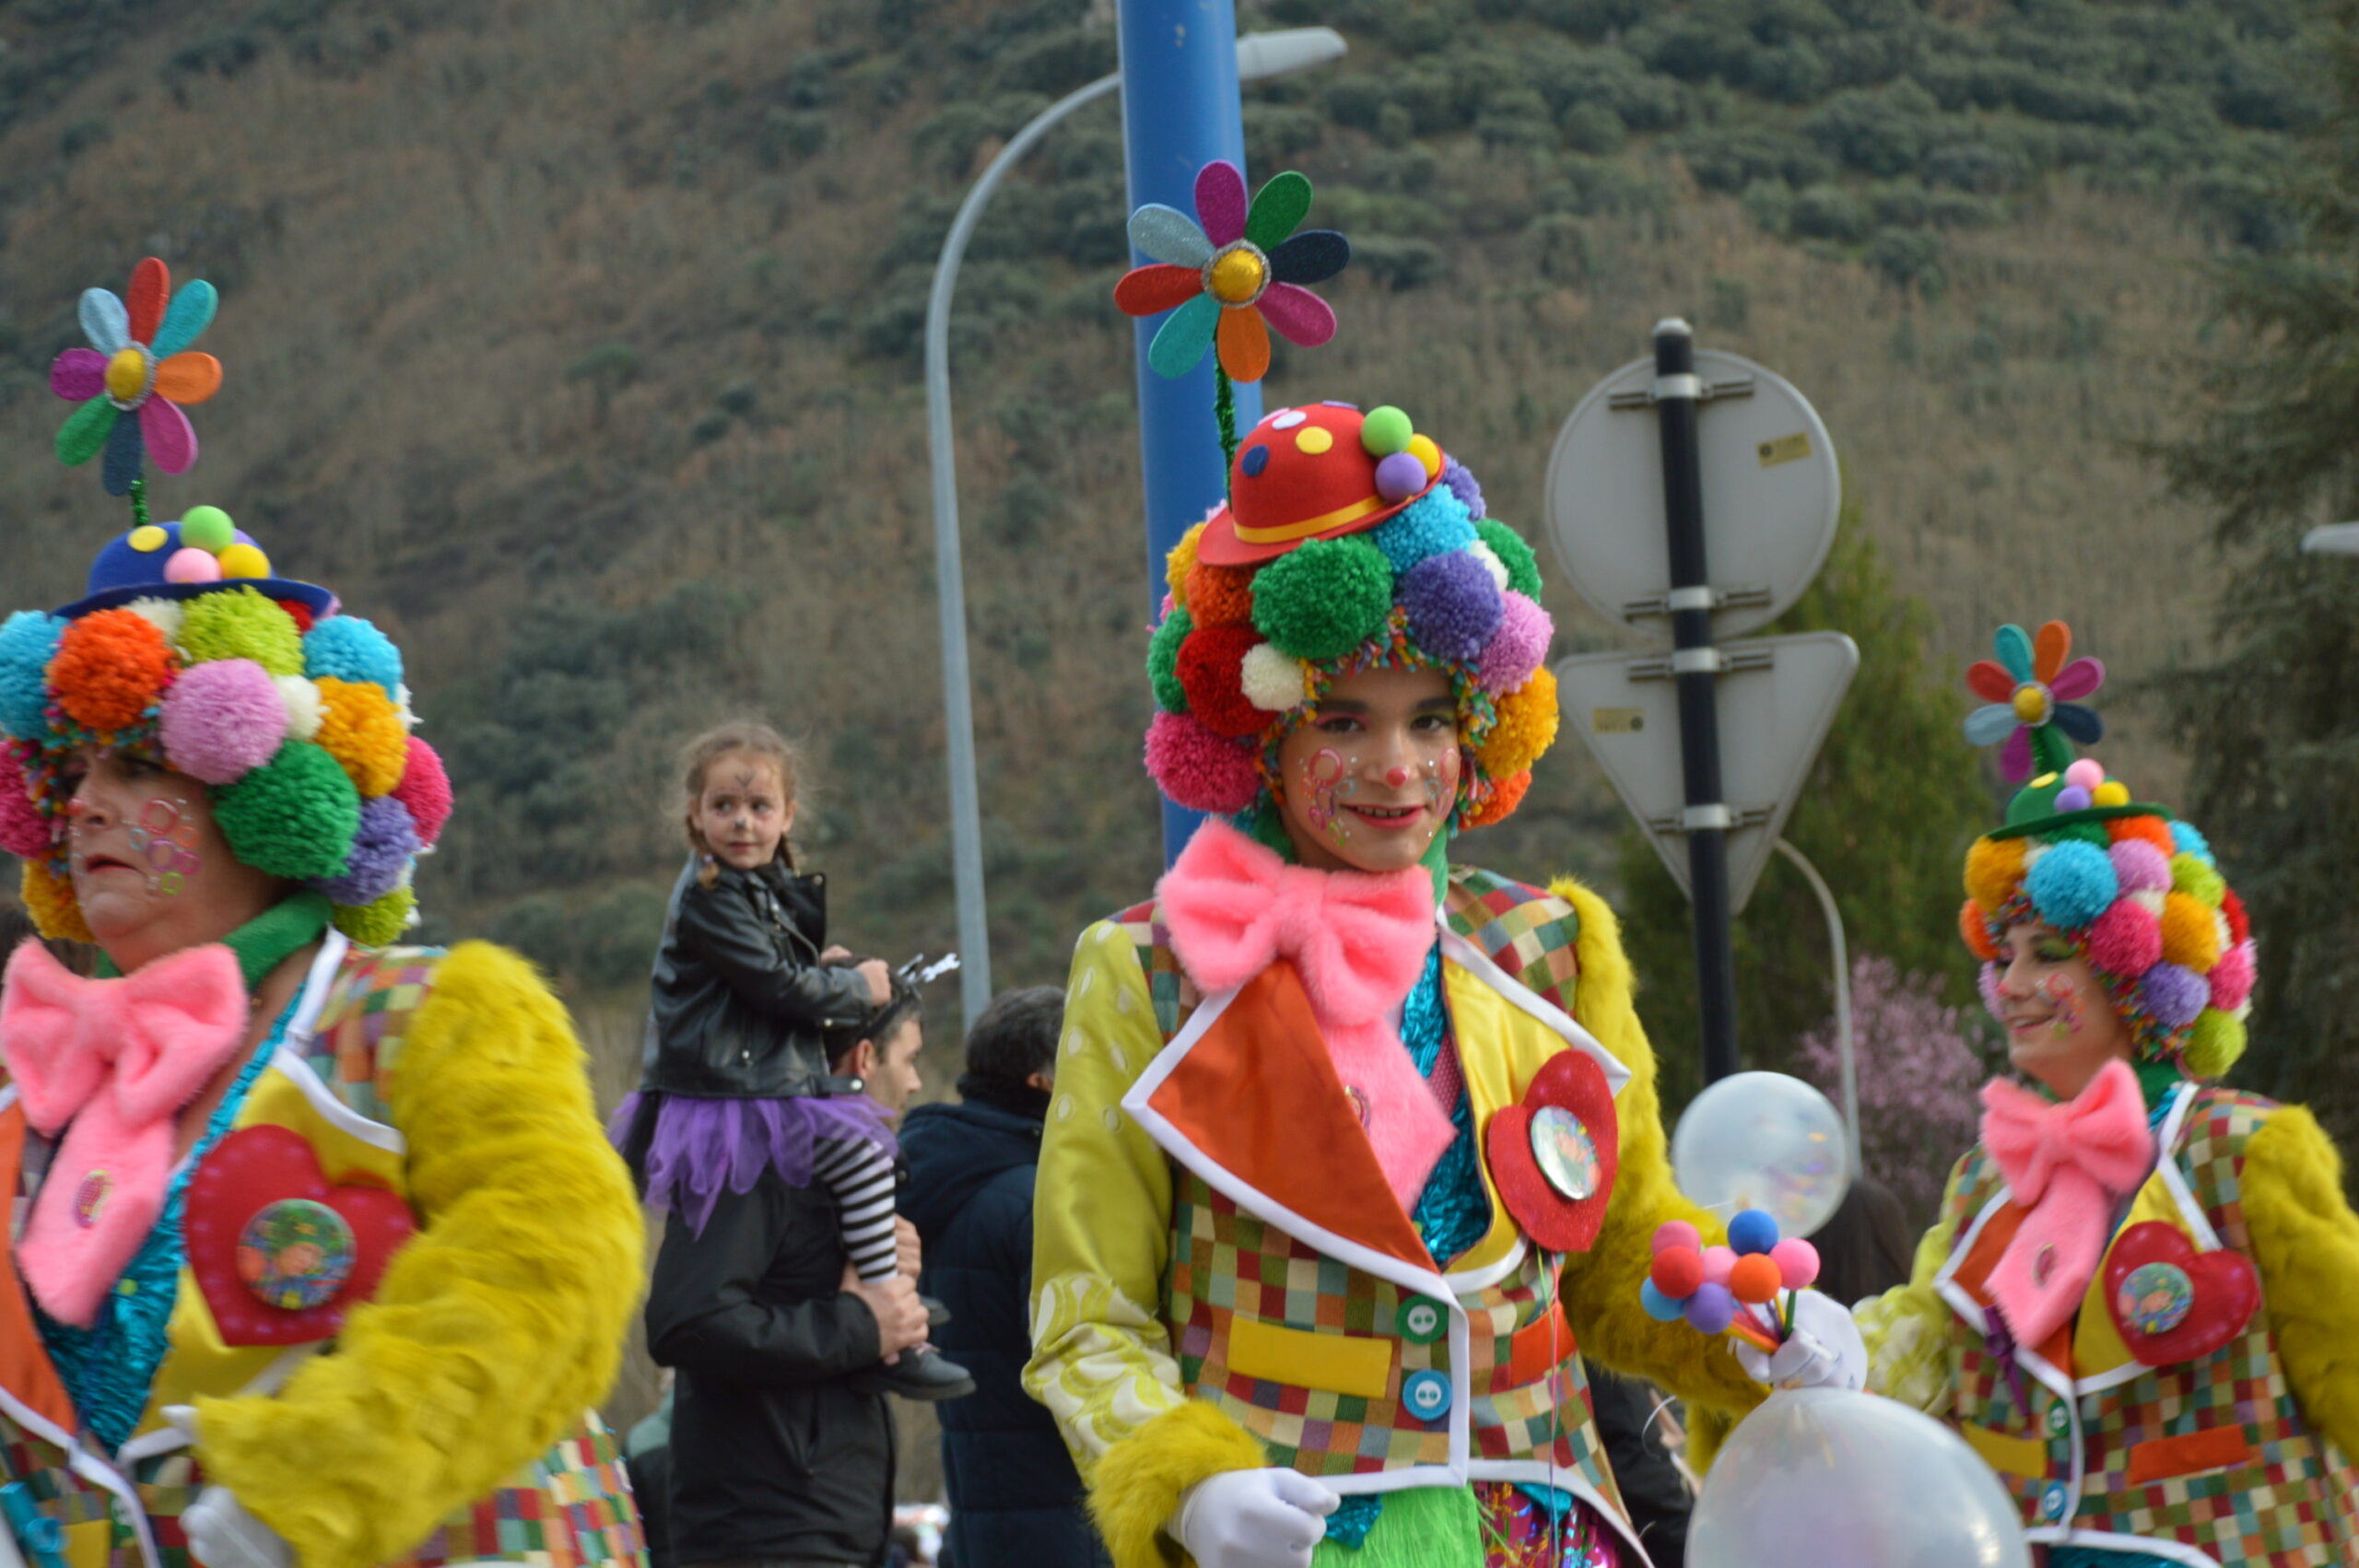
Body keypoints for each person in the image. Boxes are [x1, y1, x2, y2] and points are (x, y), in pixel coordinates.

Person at [1024, 401, 1767, 1568]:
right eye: (1341, 721)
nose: (1395, 768)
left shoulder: (1551, 946)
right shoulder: (1145, 974)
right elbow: (1086, 1322)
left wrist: (1746, 1318)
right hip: (1295, 1537)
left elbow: (1622, 1261)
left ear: (1482, 726)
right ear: (1261, 737)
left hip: (1543, 1528)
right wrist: (1187, 1479)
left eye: (1429, 719)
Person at [0, 255, 643, 1568]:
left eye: (138, 766)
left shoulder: (432, 1014)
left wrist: (320, 1481)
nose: (88, 810)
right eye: (69, 776)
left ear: (260, 787)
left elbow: (550, 1270)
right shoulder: (32, 1102)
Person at [1755, 621, 2359, 1566]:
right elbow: (1928, 1341)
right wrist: (1819, 1341)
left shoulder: (2244, 1152)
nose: (2014, 983)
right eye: (2004, 955)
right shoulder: (1984, 1182)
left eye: (2049, 954)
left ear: (2134, 969)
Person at [613, 721, 968, 1399]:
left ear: (788, 814)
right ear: (695, 813)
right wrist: (855, 986)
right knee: (858, 1152)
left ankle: (888, 1305)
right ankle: (889, 1315)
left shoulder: (754, 886)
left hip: (753, 1080)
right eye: (724, 807)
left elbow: (771, 970)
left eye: (758, 808)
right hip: (727, 1092)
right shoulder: (711, 894)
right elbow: (773, 986)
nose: (742, 822)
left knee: (862, 1157)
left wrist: (821, 965)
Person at [642, 964, 957, 1568]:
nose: (916, 1082)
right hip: (769, 1534)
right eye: (909, 1058)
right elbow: (685, 1320)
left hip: (824, 1523)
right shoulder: (752, 1158)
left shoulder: (823, 1167)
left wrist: (882, 1285)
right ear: (864, 1059)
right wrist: (861, 1324)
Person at [900, 986, 1103, 1568]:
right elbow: (1078, 1368)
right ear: (1043, 1083)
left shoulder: (949, 1177)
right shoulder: (1038, 1197)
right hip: (1070, 1521)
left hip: (982, 1514)